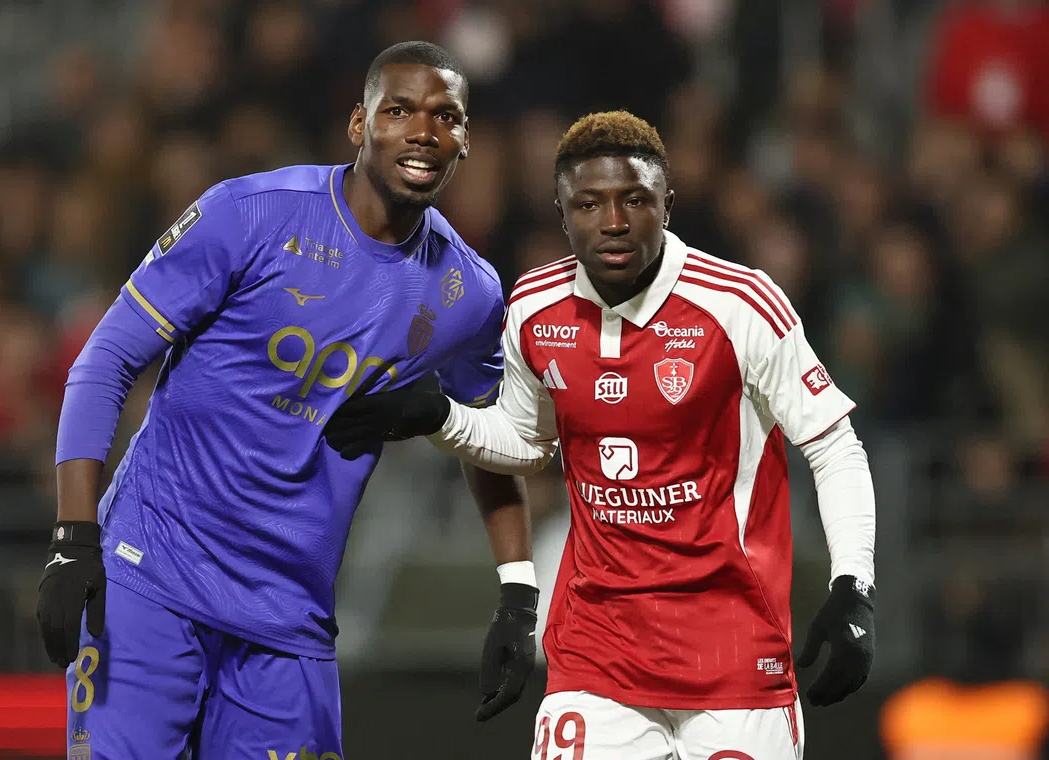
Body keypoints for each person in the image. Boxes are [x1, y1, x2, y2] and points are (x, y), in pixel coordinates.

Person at [37, 41, 538, 760]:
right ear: (359, 125)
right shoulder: (249, 216)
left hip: (287, 619)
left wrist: (517, 596)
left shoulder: (468, 295)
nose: (424, 131)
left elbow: (487, 437)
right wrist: (73, 541)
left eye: (446, 116)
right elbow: (105, 361)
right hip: (154, 575)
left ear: (466, 142)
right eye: (400, 110)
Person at [323, 110, 878, 759]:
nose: (612, 222)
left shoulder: (741, 304)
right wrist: (443, 418)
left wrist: (853, 587)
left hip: (734, 652)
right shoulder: (534, 309)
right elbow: (526, 445)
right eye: (588, 204)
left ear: (666, 204)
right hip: (597, 653)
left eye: (633, 200)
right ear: (562, 212)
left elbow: (834, 444)